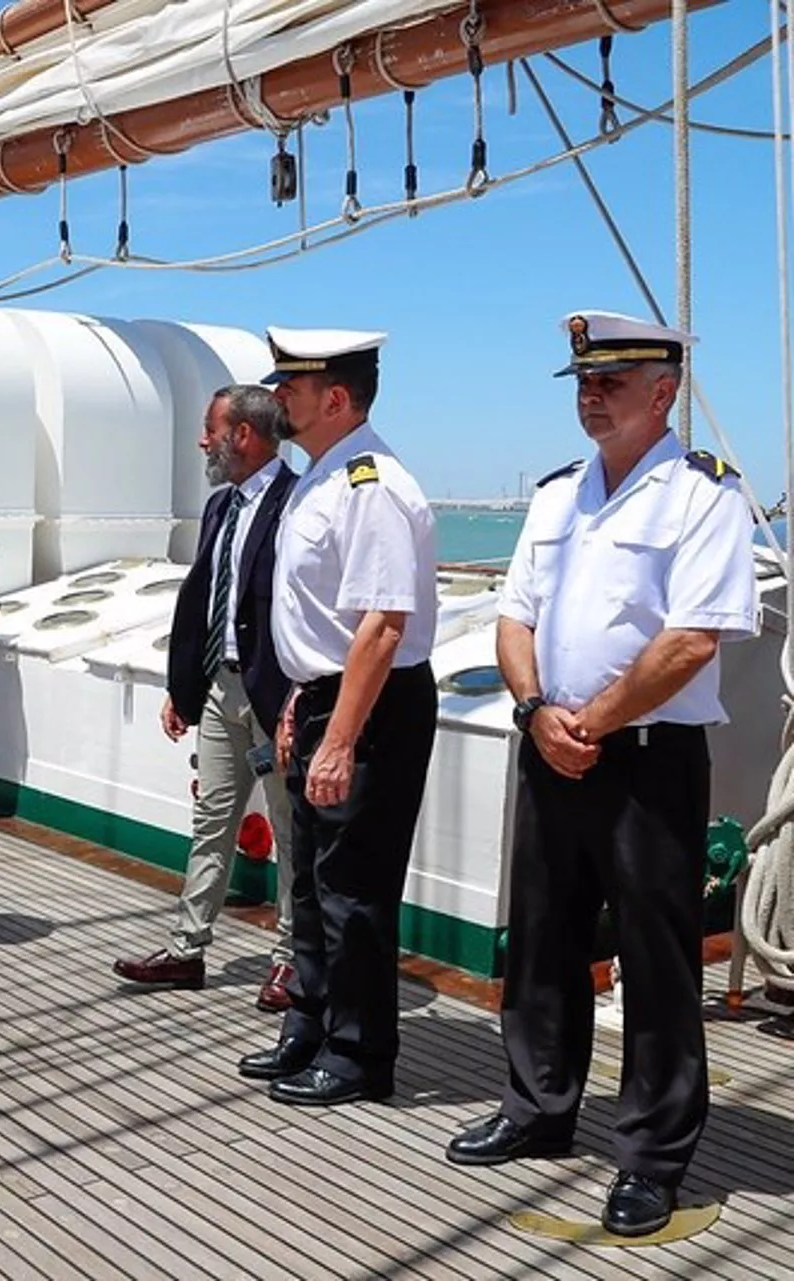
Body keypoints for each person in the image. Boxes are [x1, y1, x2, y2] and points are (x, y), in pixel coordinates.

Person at [444, 313, 758, 1237]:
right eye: (582, 379)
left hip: (647, 762)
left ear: (663, 392)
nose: (591, 392)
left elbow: (692, 638)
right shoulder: (554, 496)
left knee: (657, 961)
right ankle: (538, 1109)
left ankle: (653, 1157)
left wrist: (591, 720)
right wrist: (539, 711)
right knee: (542, 938)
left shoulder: (704, 497)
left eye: (611, 380)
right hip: (551, 743)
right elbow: (515, 617)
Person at [236, 327, 439, 1107]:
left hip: (372, 708)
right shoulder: (320, 478)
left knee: (354, 888)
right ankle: (309, 1026)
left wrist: (342, 736)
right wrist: (299, 702)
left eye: (293, 386)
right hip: (323, 698)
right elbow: (318, 620)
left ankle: (359, 1053)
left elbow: (382, 624)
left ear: (338, 398)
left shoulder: (371, 484)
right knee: (314, 887)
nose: (279, 396)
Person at [112, 385, 300, 1012]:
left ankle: (290, 960)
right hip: (220, 687)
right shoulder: (221, 507)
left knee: (290, 830)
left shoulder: (299, 503)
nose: (202, 441)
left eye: (209, 429)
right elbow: (201, 601)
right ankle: (187, 950)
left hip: (278, 696)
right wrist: (183, 688)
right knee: (211, 820)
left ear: (242, 434)